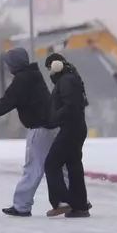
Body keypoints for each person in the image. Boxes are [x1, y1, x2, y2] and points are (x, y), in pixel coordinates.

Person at [0, 47, 58, 217]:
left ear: (15, 64)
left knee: (33, 168)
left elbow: (6, 102)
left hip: (40, 129)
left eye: (9, 64)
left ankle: (22, 206)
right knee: (58, 165)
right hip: (52, 127)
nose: (7, 67)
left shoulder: (22, 80)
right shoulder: (34, 75)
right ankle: (68, 200)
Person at [44, 53, 91, 218]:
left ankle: (62, 201)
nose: (49, 73)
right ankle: (80, 205)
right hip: (77, 127)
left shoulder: (65, 81)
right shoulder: (72, 78)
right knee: (73, 165)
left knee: (51, 163)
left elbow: (69, 106)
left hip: (70, 128)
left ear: (56, 66)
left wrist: (54, 119)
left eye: (49, 69)